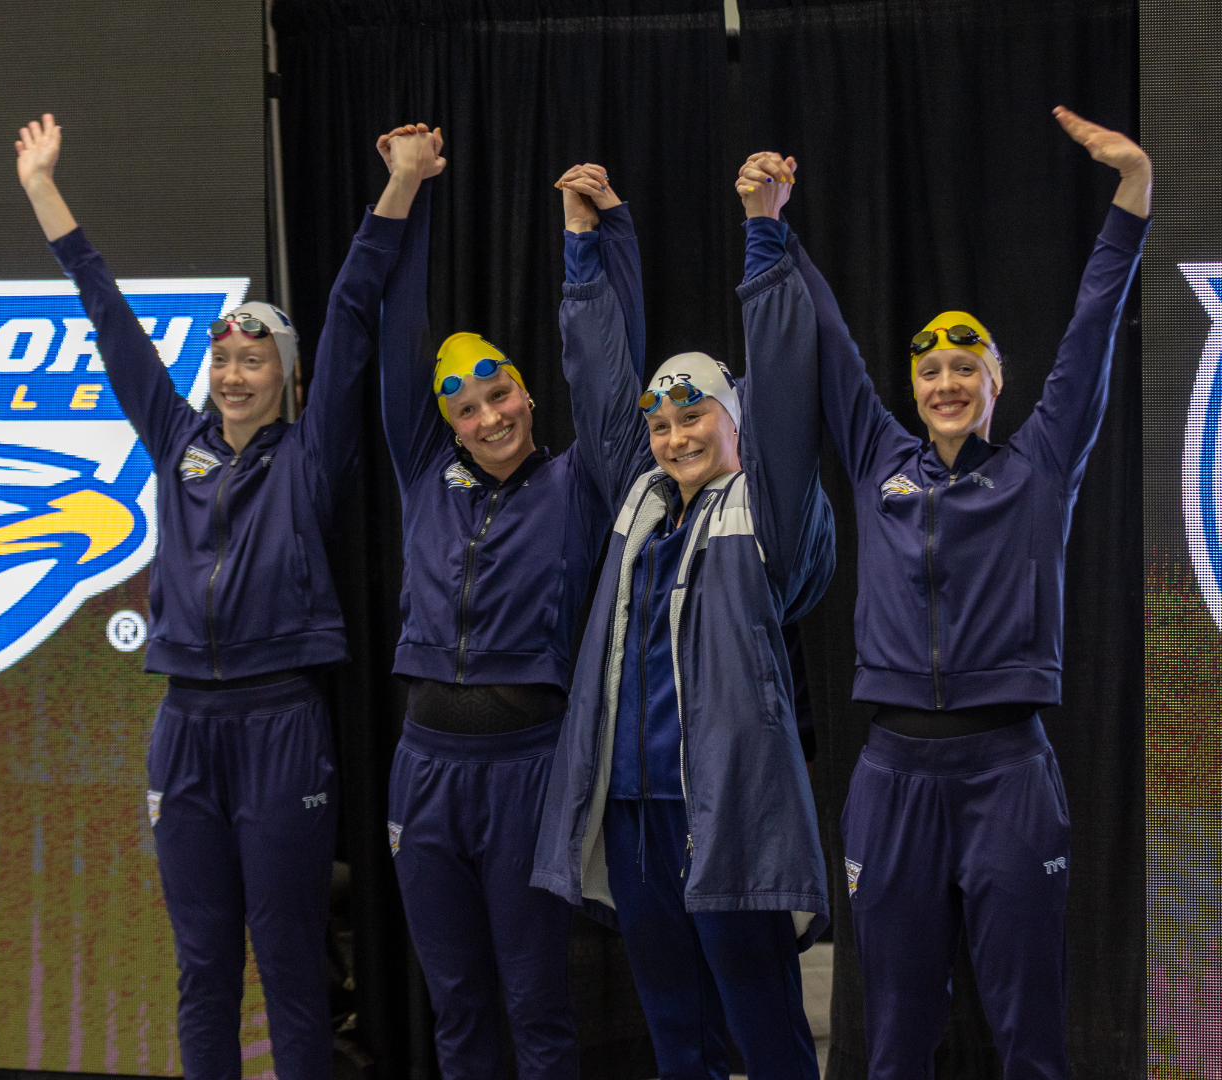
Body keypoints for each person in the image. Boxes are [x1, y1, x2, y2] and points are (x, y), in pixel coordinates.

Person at [14, 113, 441, 1080]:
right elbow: (109, 320)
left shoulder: (311, 455)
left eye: (253, 362)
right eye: (223, 362)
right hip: (185, 730)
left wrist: (400, 186)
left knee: (289, 965)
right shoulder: (176, 441)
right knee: (202, 968)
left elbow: (354, 302)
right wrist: (44, 190)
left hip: (280, 721)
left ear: (285, 381)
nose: (234, 374)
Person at [749, 107, 1149, 1078]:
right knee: (892, 1040)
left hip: (1007, 771)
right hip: (891, 778)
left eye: (965, 368)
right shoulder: (880, 457)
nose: (945, 383)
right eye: (930, 370)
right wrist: (770, 223)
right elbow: (833, 344)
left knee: (1031, 1038)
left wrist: (1132, 196)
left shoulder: (1039, 467)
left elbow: (1092, 335)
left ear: (996, 384)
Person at [531, 159, 837, 1079]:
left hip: (726, 808)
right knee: (676, 1035)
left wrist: (763, 229)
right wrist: (588, 245)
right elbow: (598, 379)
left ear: (735, 419)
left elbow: (787, 377)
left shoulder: (767, 510)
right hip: (632, 813)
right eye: (661, 428)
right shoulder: (643, 503)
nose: (675, 439)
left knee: (766, 1030)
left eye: (694, 418)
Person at [376, 152, 652, 1080]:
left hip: (526, 773)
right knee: (456, 1006)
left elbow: (614, 377)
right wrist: (406, 194)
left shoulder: (580, 480)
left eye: (501, 395)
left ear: (528, 392)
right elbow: (395, 327)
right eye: (466, 406)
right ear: (444, 422)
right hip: (423, 773)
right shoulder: (424, 473)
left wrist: (600, 239)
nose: (489, 416)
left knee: (537, 1005)